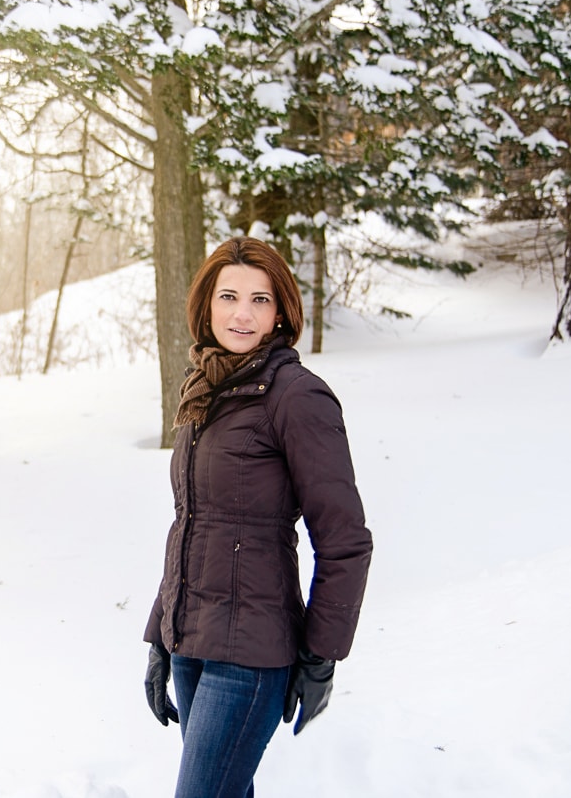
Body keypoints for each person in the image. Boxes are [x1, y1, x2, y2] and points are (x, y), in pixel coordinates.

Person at [143, 236, 373, 798]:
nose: (241, 313)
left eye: (260, 299)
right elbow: (192, 526)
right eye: (228, 296)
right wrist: (160, 637)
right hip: (191, 644)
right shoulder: (207, 391)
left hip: (249, 658)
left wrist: (321, 655)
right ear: (206, 306)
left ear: (280, 313)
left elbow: (345, 541)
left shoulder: (296, 397)